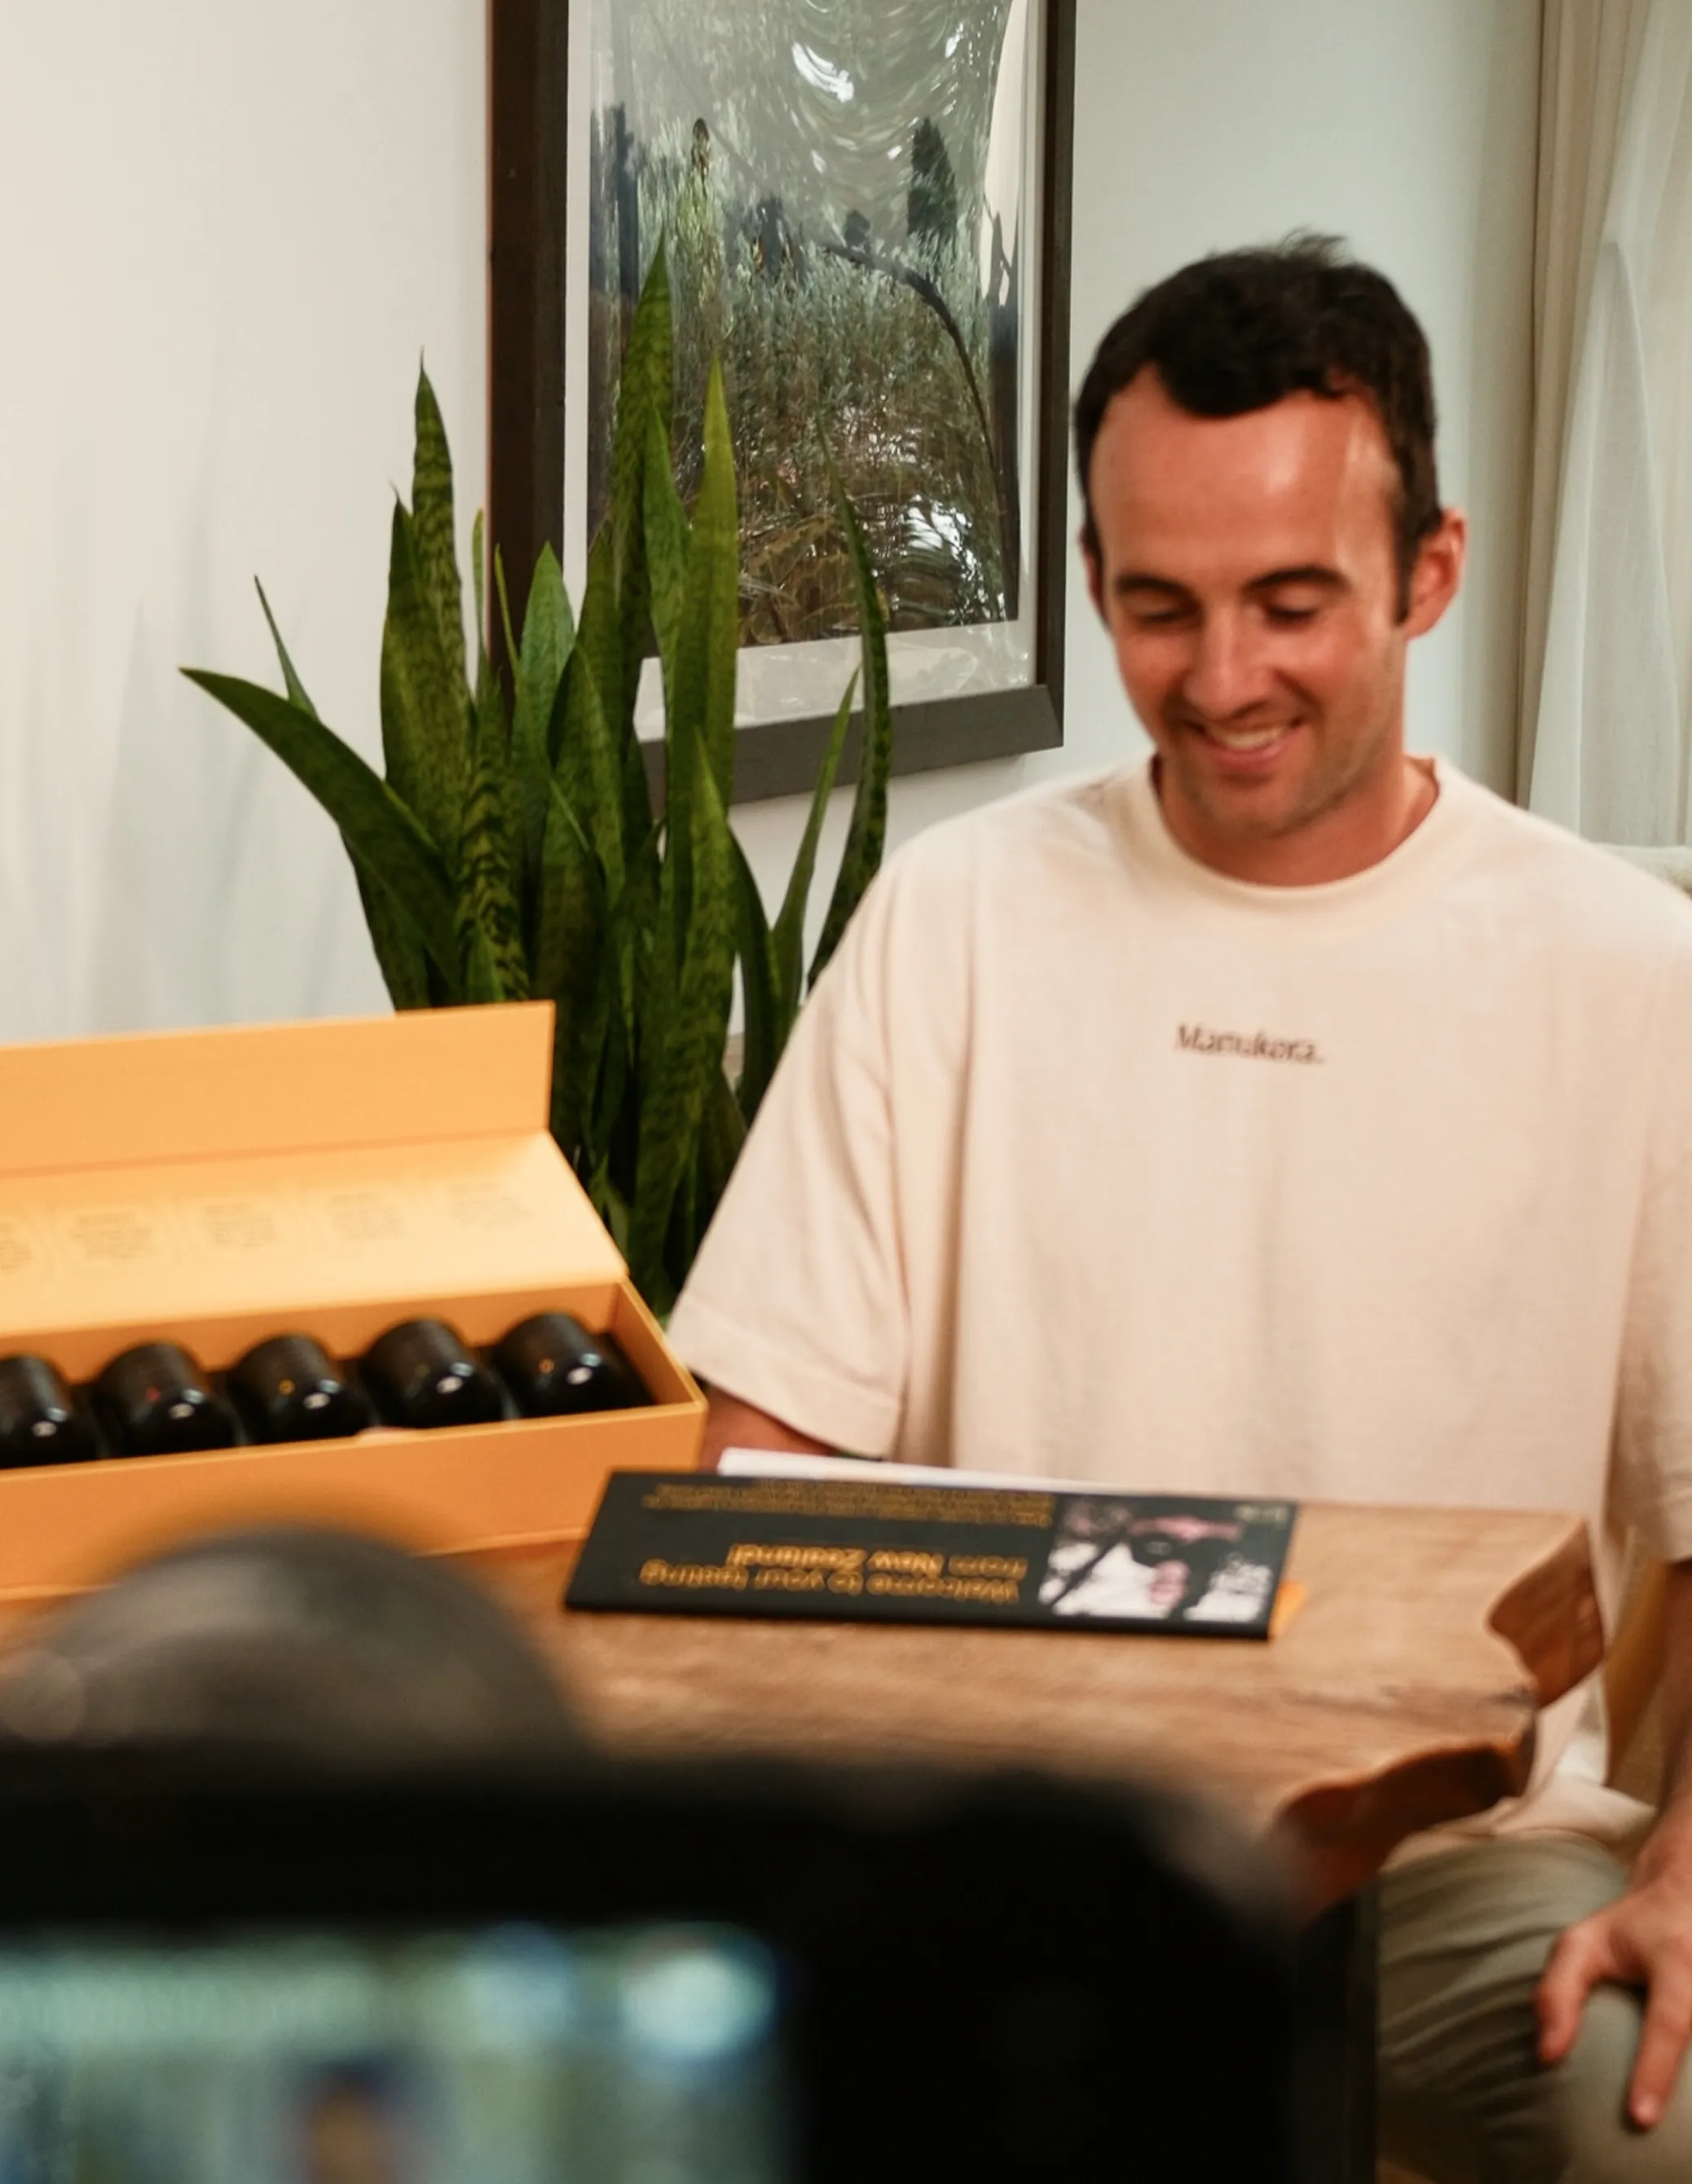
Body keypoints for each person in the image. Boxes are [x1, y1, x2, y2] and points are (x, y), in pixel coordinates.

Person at [667, 236, 1692, 2178]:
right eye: (1162, 608)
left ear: (1431, 571)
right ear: (1094, 586)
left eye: (1292, 602)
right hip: (1004, 1862)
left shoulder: (1636, 972)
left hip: (1454, 1875)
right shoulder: (949, 925)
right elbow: (763, 1465)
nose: (1222, 682)